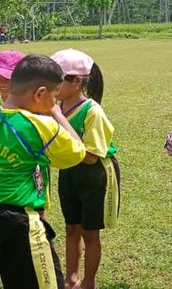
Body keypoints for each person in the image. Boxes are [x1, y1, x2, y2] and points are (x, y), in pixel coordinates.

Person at [0, 54, 87, 289]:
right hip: (15, 219)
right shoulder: (41, 125)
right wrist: (56, 113)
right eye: (53, 97)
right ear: (39, 93)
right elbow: (77, 152)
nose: (53, 103)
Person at [51, 49, 121, 289]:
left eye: (57, 79)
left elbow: (91, 156)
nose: (51, 84)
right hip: (69, 170)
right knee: (71, 227)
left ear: (77, 81)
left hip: (95, 175)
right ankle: (71, 279)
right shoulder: (56, 106)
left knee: (90, 232)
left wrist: (58, 125)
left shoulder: (92, 111)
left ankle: (88, 282)